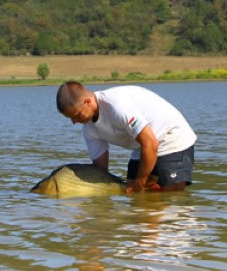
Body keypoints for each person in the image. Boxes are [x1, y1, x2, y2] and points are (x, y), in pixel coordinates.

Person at [56, 81, 196, 193]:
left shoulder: (117, 107)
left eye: (76, 115)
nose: (74, 122)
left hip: (171, 137)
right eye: (70, 118)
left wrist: (140, 182)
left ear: (87, 102)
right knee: (131, 192)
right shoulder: (89, 130)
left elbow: (151, 143)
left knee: (167, 195)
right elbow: (100, 172)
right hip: (142, 146)